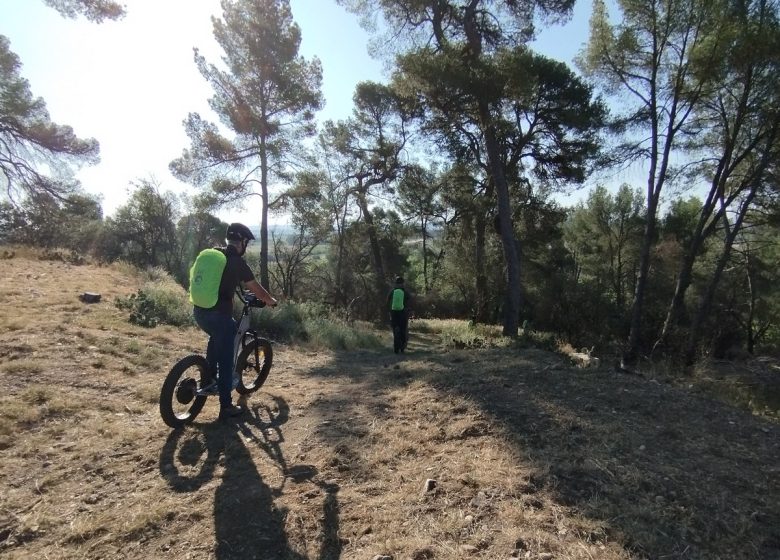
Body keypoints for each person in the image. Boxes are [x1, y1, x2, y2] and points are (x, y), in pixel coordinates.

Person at [190, 223, 277, 420]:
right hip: (218, 317)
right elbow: (255, 288)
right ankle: (226, 406)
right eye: (246, 243)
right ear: (243, 242)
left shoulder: (214, 254)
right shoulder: (237, 262)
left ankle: (209, 375)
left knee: (217, 336)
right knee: (227, 356)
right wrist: (270, 301)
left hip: (199, 311)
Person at [387, 275, 411, 353]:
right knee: (403, 329)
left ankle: (396, 347)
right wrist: (408, 309)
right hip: (403, 313)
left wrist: (389, 310)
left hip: (393, 312)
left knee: (395, 329)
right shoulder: (405, 292)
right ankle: (402, 346)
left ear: (395, 283)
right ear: (403, 283)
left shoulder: (392, 291)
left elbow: (387, 301)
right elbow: (409, 301)